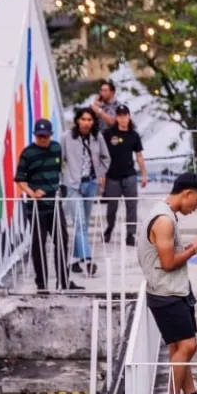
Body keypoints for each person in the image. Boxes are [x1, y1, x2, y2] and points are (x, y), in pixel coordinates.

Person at [138, 173, 197, 394]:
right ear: (187, 193)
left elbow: (166, 257)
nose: (196, 207)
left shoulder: (165, 214)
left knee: (179, 347)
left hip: (174, 289)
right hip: (166, 292)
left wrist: (189, 248)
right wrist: (195, 248)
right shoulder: (164, 220)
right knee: (188, 345)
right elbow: (167, 264)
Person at [15, 119, 79, 291]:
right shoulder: (28, 153)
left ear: (50, 135)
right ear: (35, 136)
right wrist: (32, 193)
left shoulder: (57, 148)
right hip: (36, 207)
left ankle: (63, 281)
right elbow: (20, 179)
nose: (42, 139)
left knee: (62, 240)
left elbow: (61, 170)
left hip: (54, 203)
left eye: (45, 136)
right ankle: (42, 284)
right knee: (39, 244)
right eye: (39, 136)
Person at [61, 107, 110, 277]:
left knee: (84, 223)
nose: (86, 123)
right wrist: (63, 178)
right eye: (83, 119)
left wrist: (100, 174)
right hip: (73, 185)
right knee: (79, 223)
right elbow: (60, 159)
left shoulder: (97, 137)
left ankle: (75, 260)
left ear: (93, 122)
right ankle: (87, 260)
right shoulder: (66, 137)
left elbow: (106, 158)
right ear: (77, 120)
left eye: (89, 120)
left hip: (90, 183)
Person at [103, 105, 147, 246]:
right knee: (112, 206)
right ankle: (110, 227)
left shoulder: (134, 135)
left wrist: (144, 174)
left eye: (125, 115)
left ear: (129, 117)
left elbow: (139, 155)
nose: (122, 119)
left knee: (132, 205)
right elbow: (101, 153)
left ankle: (130, 233)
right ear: (116, 118)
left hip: (129, 175)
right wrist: (101, 174)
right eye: (120, 116)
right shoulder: (108, 134)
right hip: (112, 176)